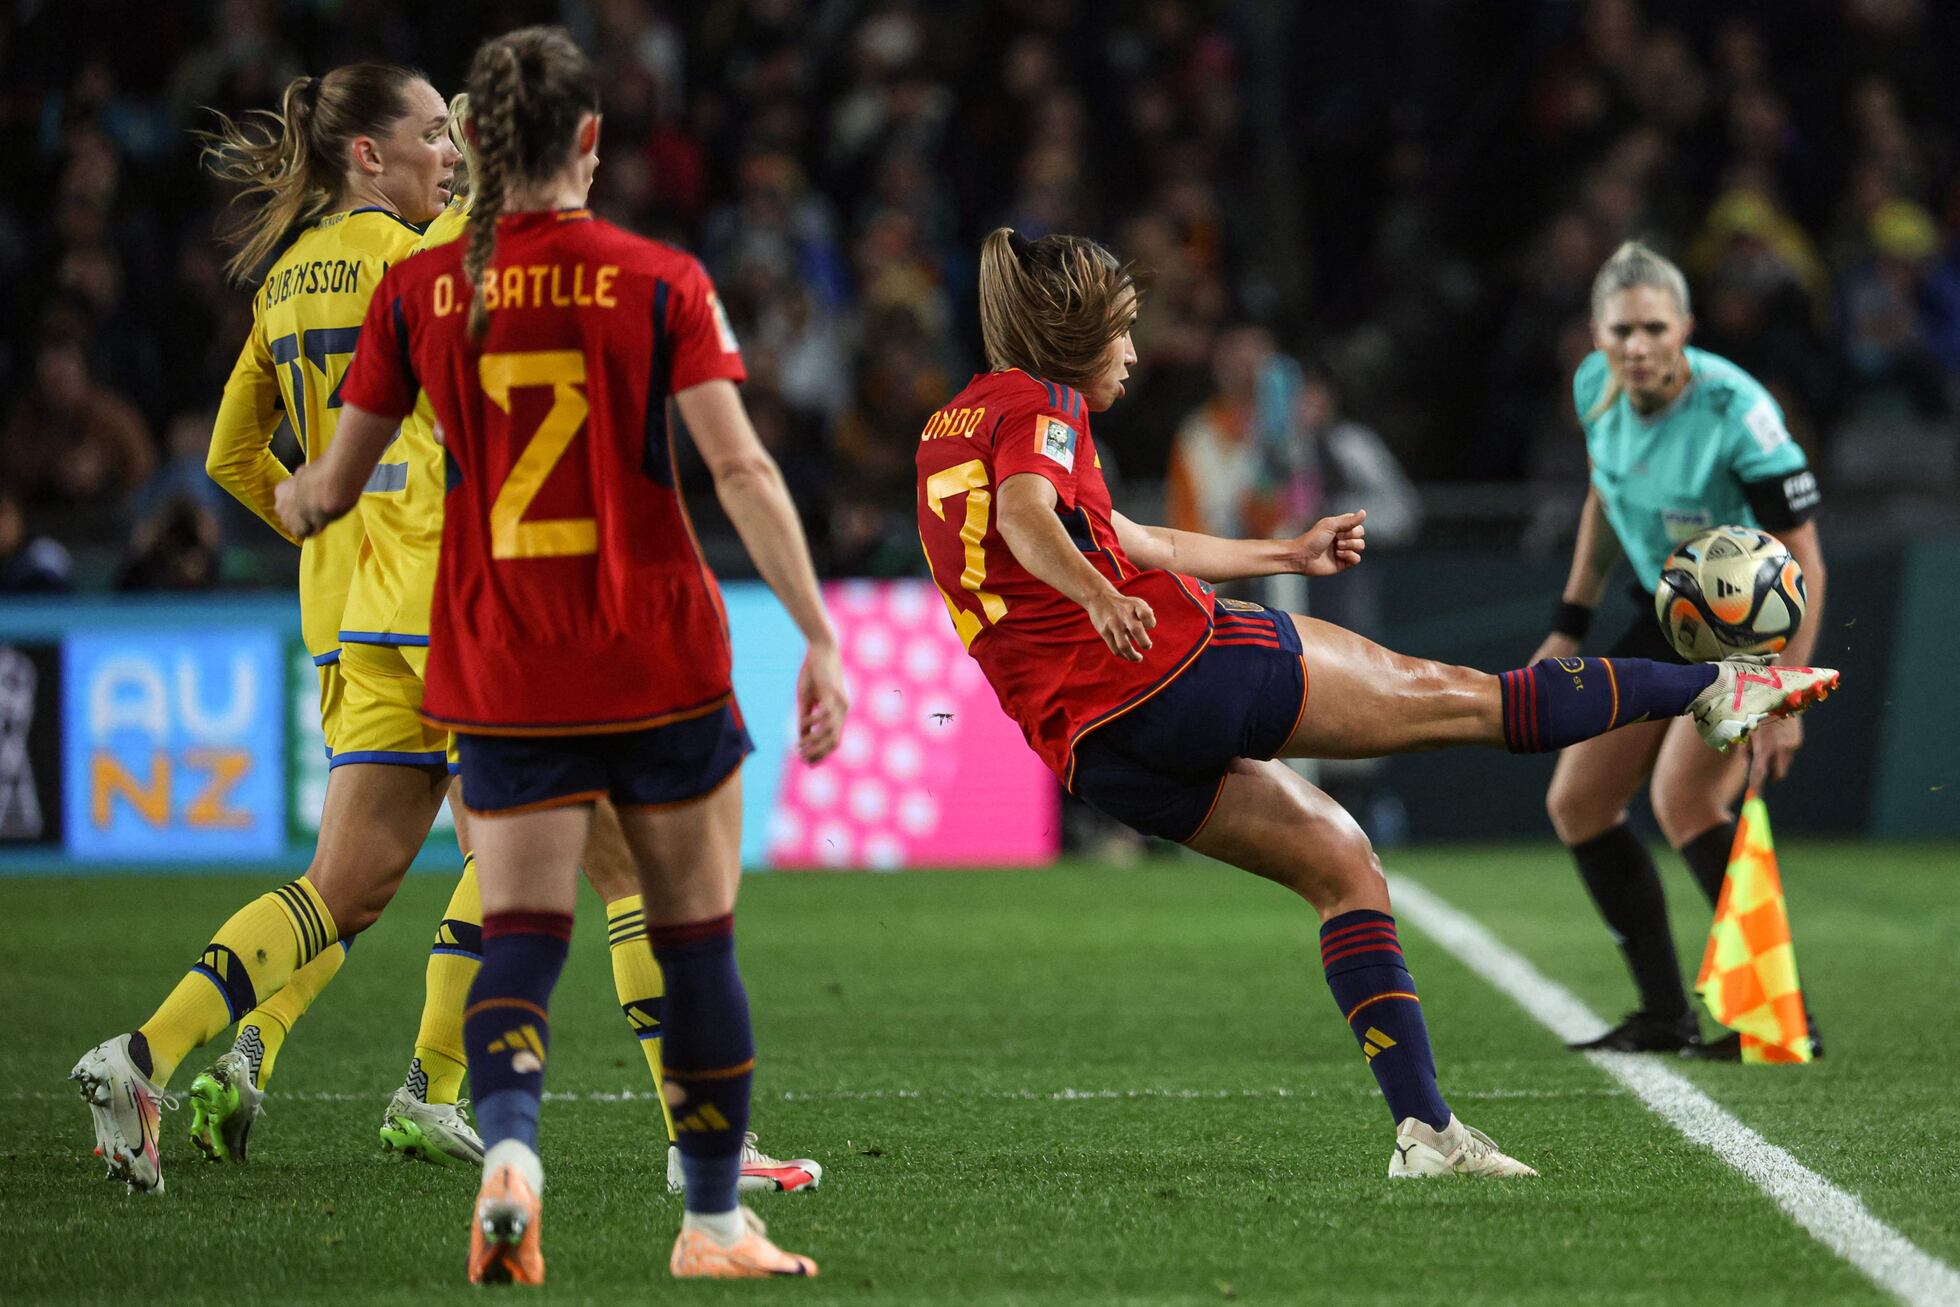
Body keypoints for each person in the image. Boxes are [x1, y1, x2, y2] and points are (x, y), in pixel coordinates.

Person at [917, 228, 1840, 1177]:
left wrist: (1286, 554)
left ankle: (1427, 1134)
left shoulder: (956, 425)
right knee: (1472, 700)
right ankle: (1719, 685)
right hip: (1180, 663)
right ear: (1075, 332)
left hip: (1096, 749)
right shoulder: (1043, 408)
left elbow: (1126, 534)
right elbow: (1034, 520)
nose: (1135, 352)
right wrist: (1100, 596)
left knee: (1342, 867)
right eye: (1125, 331)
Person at [275, 26, 845, 1283]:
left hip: (501, 668)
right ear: (590, 141)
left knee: (521, 934)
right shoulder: (658, 277)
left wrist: (298, 501)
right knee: (691, 938)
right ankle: (709, 1222)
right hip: (656, 657)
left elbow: (333, 484)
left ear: (472, 146)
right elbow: (740, 466)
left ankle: (511, 1155)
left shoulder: (416, 293)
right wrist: (816, 632)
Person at [71, 61, 458, 1196]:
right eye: (432, 133)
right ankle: (433, 1090)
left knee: (348, 886)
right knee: (533, 837)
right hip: (447, 591)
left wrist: (320, 522)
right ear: (367, 155)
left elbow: (230, 459)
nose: (449, 153)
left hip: (349, 615)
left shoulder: (282, 283)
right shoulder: (412, 259)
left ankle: (145, 1053)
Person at [1533, 240, 1829, 1059]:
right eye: (1619, 329)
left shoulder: (1741, 412)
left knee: (1684, 801)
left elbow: (1808, 556)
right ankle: (1665, 1014)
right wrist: (1569, 617)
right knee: (1578, 805)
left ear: (1685, 329)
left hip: (1748, 631)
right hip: (1665, 610)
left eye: (1653, 328)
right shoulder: (1595, 388)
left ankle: (1778, 1016)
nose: (1635, 346)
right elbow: (1604, 493)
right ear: (1596, 334)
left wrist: (1785, 694)